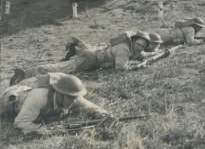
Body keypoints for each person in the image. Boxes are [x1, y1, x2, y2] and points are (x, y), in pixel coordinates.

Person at [10, 31, 151, 85]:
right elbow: (121, 67)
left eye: (143, 47)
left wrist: (144, 57)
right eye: (138, 44)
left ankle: (76, 47)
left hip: (93, 56)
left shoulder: (130, 48)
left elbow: (139, 55)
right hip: (89, 59)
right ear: (132, 41)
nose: (140, 48)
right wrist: (137, 67)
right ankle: (24, 74)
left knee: (62, 68)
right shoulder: (124, 50)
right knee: (61, 69)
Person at [1, 73, 108, 134]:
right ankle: (12, 83)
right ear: (59, 93)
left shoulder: (72, 96)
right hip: (12, 100)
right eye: (70, 97)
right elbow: (20, 123)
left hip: (28, 92)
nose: (73, 101)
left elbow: (92, 107)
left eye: (75, 97)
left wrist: (104, 114)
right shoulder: (40, 97)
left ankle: (16, 82)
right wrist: (43, 130)